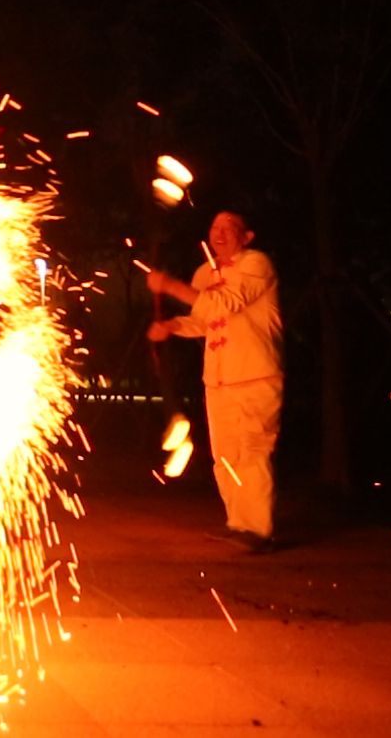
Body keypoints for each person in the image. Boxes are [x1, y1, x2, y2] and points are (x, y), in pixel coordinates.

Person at [146, 210, 283, 552]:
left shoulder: (256, 264)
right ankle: (238, 523)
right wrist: (173, 327)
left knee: (252, 451)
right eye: (215, 227)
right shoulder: (205, 273)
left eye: (229, 228)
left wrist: (171, 286)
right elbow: (203, 320)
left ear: (246, 236)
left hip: (256, 374)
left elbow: (225, 304)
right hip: (219, 378)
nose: (219, 233)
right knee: (225, 455)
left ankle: (259, 530)